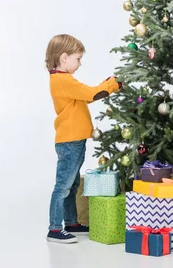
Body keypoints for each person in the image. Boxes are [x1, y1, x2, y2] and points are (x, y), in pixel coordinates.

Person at [44, 34, 122, 243]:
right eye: (78, 59)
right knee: (63, 185)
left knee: (73, 184)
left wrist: (106, 84)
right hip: (69, 141)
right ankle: (54, 229)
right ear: (64, 57)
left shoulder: (63, 80)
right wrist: (113, 84)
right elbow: (91, 94)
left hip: (74, 140)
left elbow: (87, 94)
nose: (79, 63)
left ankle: (71, 223)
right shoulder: (62, 80)